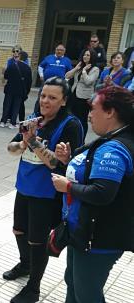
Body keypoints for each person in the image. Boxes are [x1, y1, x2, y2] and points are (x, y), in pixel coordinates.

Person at [4, 77, 83, 303]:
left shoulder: (70, 124)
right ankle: (26, 264)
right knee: (19, 230)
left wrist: (34, 143)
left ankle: (33, 288)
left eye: (52, 97)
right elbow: (11, 148)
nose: (45, 101)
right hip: (24, 187)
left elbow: (60, 164)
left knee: (37, 240)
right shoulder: (33, 119)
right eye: (43, 96)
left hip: (47, 194)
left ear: (64, 101)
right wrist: (22, 142)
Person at [52, 86, 134, 303]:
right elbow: (93, 174)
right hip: (82, 231)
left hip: (98, 239)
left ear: (110, 112)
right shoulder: (109, 138)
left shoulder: (114, 149)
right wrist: (69, 160)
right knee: (72, 282)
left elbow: (102, 192)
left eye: (93, 109)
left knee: (86, 294)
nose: (89, 115)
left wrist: (67, 187)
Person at [65, 48, 100, 139]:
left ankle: (81, 138)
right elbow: (67, 76)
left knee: (82, 119)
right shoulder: (80, 66)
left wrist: (84, 71)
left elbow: (89, 81)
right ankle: (71, 137)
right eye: (84, 55)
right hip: (73, 95)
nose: (85, 56)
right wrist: (76, 68)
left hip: (84, 98)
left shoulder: (95, 69)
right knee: (71, 117)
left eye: (88, 55)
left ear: (92, 57)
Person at [0, 46, 33, 129]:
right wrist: (27, 91)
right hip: (20, 91)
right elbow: (29, 81)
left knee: (7, 105)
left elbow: (6, 76)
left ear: (20, 56)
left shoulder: (12, 65)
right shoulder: (28, 68)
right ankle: (12, 123)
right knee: (16, 106)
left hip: (9, 89)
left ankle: (3, 122)